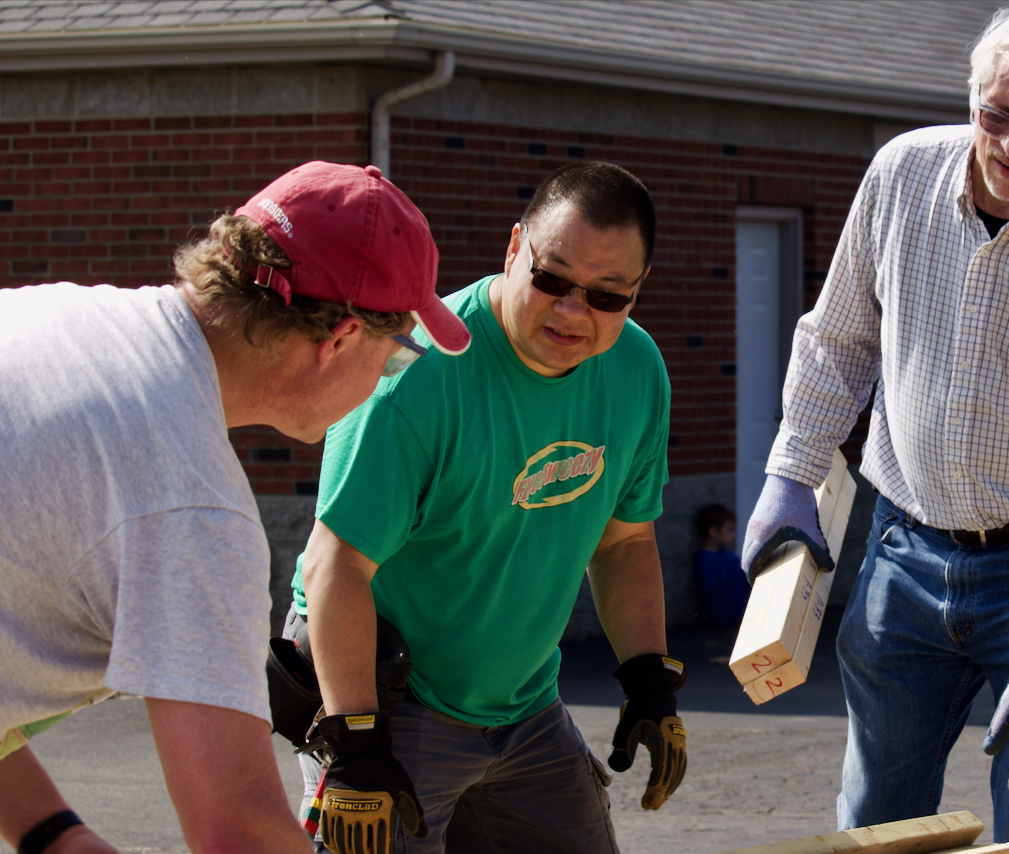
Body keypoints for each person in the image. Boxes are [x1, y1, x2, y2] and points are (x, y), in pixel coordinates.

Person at [741, 7, 1009, 852]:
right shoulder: (901, 175)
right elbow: (839, 341)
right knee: (874, 828)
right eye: (999, 116)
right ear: (972, 95)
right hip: (903, 555)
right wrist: (791, 473)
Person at [0, 161, 471, 854]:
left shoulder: (60, 314)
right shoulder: (188, 507)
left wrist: (52, 833)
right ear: (338, 339)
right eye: (395, 355)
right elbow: (239, 832)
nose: (383, 381)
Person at [289, 161, 686, 854]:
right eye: (552, 279)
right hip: (389, 700)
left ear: (637, 290)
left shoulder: (636, 372)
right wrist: (355, 745)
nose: (571, 311)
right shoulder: (415, 374)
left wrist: (647, 676)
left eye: (606, 296)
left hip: (523, 705)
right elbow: (336, 566)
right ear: (514, 249)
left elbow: (623, 543)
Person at [693, 504, 751, 627]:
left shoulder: (725, 554)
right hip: (731, 621)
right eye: (730, 529)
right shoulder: (707, 560)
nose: (733, 534)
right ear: (713, 531)